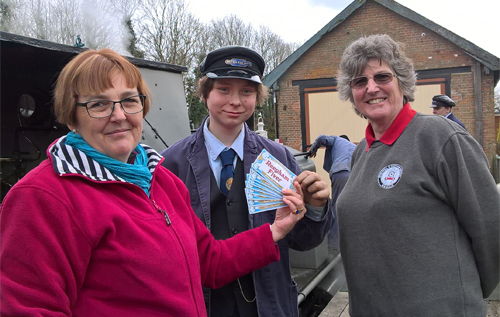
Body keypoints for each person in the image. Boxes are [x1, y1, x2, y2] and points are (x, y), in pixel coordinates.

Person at [0, 48, 309, 316]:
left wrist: (274, 231)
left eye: (129, 101)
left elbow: (211, 262)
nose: (119, 115)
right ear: (72, 117)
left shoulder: (161, 180)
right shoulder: (43, 198)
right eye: (98, 105)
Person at [161, 46, 334, 317]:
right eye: (224, 89)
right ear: (205, 93)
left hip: (268, 304)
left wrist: (315, 208)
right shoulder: (171, 164)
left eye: (246, 91)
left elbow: (303, 242)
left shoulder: (278, 158)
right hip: (203, 305)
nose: (236, 101)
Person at [335, 34, 499, 316]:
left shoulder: (440, 137)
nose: (371, 88)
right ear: (352, 93)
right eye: (359, 82)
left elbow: (491, 227)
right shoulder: (361, 150)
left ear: (402, 82)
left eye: (382, 77)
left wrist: (462, 295)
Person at [308, 134, 356, 250]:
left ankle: (333, 245)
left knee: (336, 208)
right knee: (349, 208)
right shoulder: (355, 147)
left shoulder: (336, 140)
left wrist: (312, 150)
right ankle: (349, 241)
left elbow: (321, 138)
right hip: (355, 176)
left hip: (341, 173)